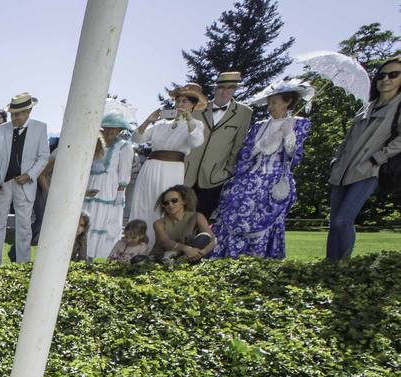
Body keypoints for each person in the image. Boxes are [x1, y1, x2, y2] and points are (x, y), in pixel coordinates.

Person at [212, 80, 313, 259]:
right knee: (232, 200)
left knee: (265, 217)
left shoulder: (299, 124)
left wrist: (289, 135)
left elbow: (294, 158)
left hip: (274, 179)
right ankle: (229, 256)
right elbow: (244, 155)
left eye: (274, 102)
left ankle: (260, 258)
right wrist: (258, 147)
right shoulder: (259, 126)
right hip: (249, 177)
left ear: (287, 101)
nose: (270, 106)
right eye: (269, 102)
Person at [327, 54, 401, 260]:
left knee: (343, 220)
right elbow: (347, 139)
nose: (385, 79)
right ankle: (329, 266)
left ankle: (342, 264)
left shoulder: (398, 107)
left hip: (368, 170)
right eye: (381, 75)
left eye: (393, 75)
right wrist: (337, 160)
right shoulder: (367, 107)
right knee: (333, 223)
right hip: (342, 170)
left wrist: (379, 157)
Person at [131, 84, 207, 251]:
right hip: (150, 168)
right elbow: (137, 138)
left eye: (185, 101)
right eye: (178, 101)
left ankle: (159, 248)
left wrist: (188, 120)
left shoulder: (195, 125)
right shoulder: (161, 125)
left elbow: (196, 142)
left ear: (193, 105)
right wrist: (148, 121)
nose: (180, 104)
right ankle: (138, 245)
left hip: (171, 169)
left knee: (165, 205)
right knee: (145, 203)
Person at [0, 93, 50, 266]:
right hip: (3, 183)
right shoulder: (0, 130)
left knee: (24, 226)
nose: (14, 117)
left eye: (18, 114)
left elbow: (44, 157)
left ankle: (23, 264)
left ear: (28, 111)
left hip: (25, 184)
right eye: (13, 114)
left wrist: (30, 175)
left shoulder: (40, 128)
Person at [184, 71, 254, 218]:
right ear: (215, 89)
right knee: (180, 216)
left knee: (202, 218)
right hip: (187, 173)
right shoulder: (198, 108)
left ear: (235, 90)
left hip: (215, 176)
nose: (226, 91)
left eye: (231, 88)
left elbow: (238, 144)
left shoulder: (244, 112)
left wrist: (228, 171)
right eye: (222, 87)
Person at [82, 114, 136, 257]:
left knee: (105, 220)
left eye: (113, 128)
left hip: (109, 188)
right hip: (91, 184)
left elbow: (125, 171)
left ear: (119, 129)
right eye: (106, 127)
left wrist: (120, 191)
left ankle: (101, 254)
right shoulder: (95, 143)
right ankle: (84, 252)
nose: (109, 131)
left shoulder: (124, 147)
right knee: (88, 217)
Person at [151, 184, 217, 263]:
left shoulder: (196, 216)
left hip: (186, 257)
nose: (170, 205)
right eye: (166, 203)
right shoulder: (159, 223)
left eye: (174, 200)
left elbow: (213, 240)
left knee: (204, 237)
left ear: (184, 201)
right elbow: (165, 242)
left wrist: (200, 253)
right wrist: (187, 249)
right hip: (160, 258)